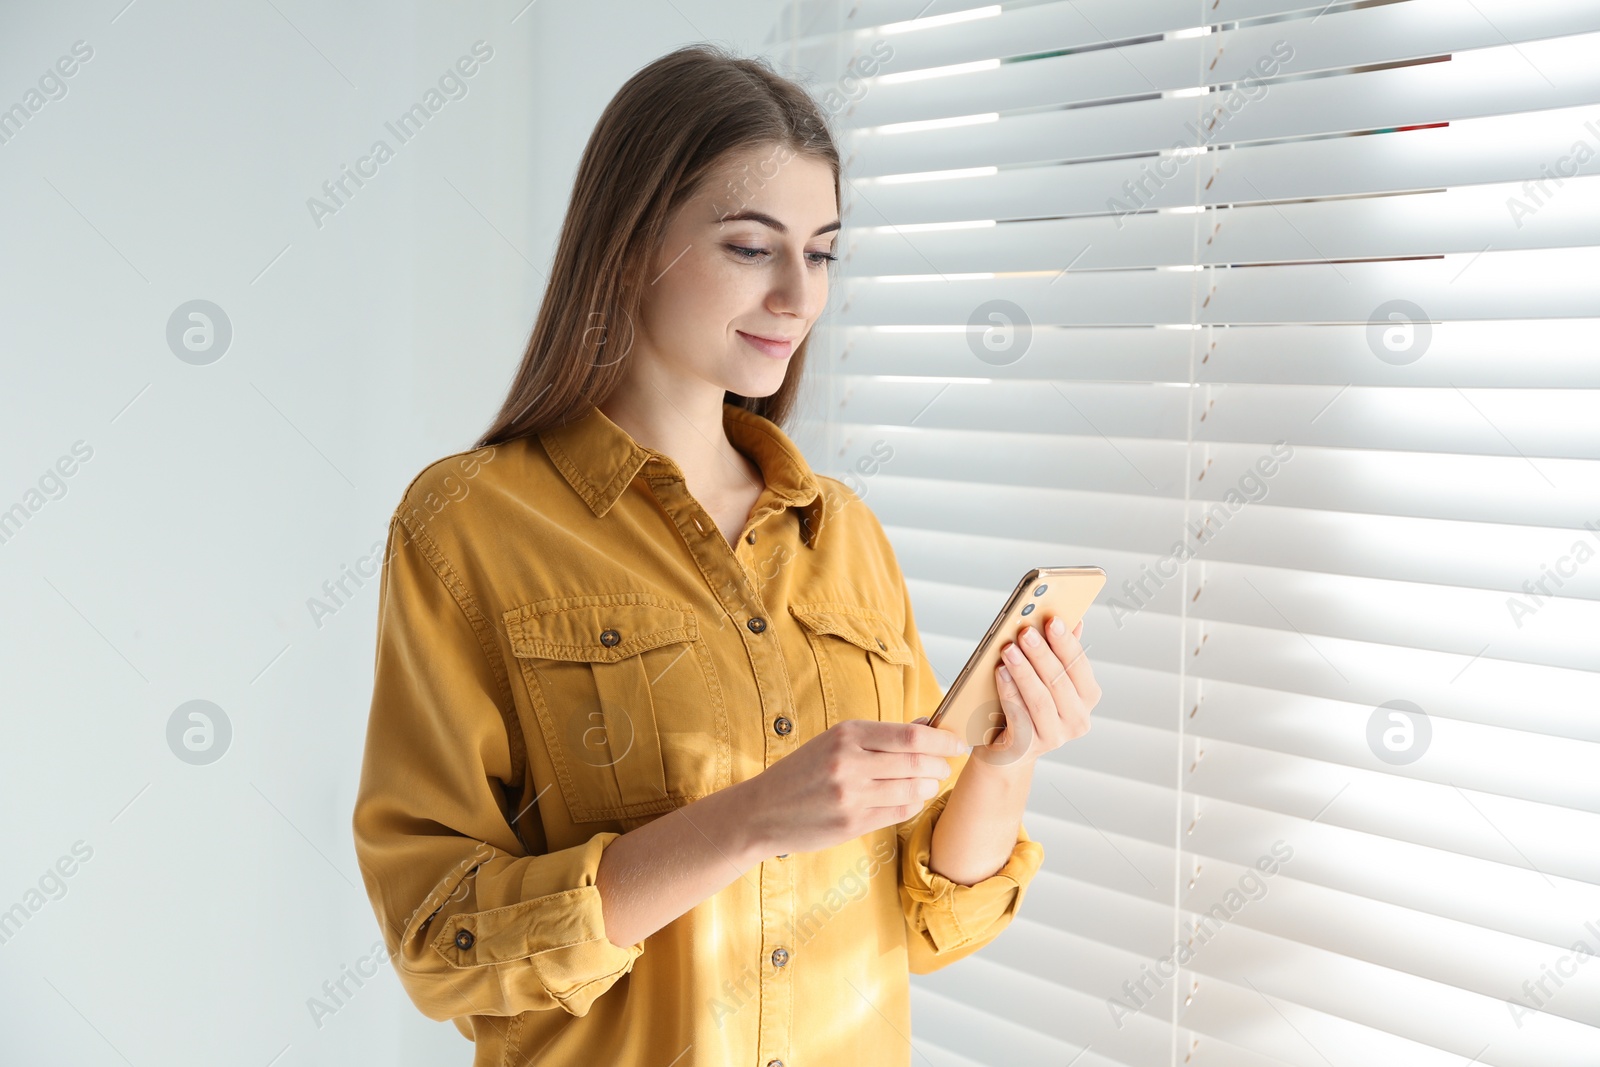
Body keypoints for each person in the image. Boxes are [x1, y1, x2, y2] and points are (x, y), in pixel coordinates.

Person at [350, 42, 1101, 1067]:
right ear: (625, 246)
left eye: (824, 250)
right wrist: (745, 820)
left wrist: (1005, 760)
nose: (799, 294)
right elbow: (442, 940)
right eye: (752, 247)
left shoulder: (846, 535)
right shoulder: (469, 526)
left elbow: (923, 921)